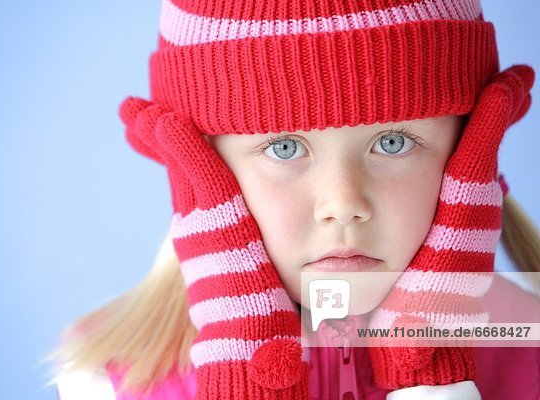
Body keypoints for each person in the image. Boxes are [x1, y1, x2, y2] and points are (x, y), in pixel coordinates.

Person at [45, 0, 540, 399]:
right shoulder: (111, 382)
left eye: (394, 142)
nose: (342, 203)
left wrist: (434, 370)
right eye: (284, 147)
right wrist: (249, 377)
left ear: (470, 153)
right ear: (194, 169)